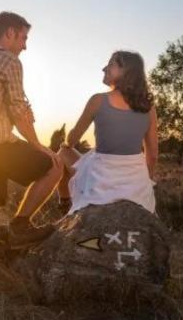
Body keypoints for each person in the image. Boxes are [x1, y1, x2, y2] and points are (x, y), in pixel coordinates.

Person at [0, 11, 63, 287]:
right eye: (23, 37)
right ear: (9, 34)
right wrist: (38, 145)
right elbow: (18, 110)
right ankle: (19, 227)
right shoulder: (9, 61)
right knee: (54, 166)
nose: (25, 45)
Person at [57, 51, 158, 215]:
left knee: (63, 151)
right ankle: (66, 204)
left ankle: (64, 203)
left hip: (101, 180)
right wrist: (145, 182)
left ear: (126, 71)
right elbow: (152, 154)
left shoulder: (98, 100)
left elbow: (72, 139)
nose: (104, 68)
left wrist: (66, 141)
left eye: (111, 64)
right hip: (135, 183)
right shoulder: (149, 108)